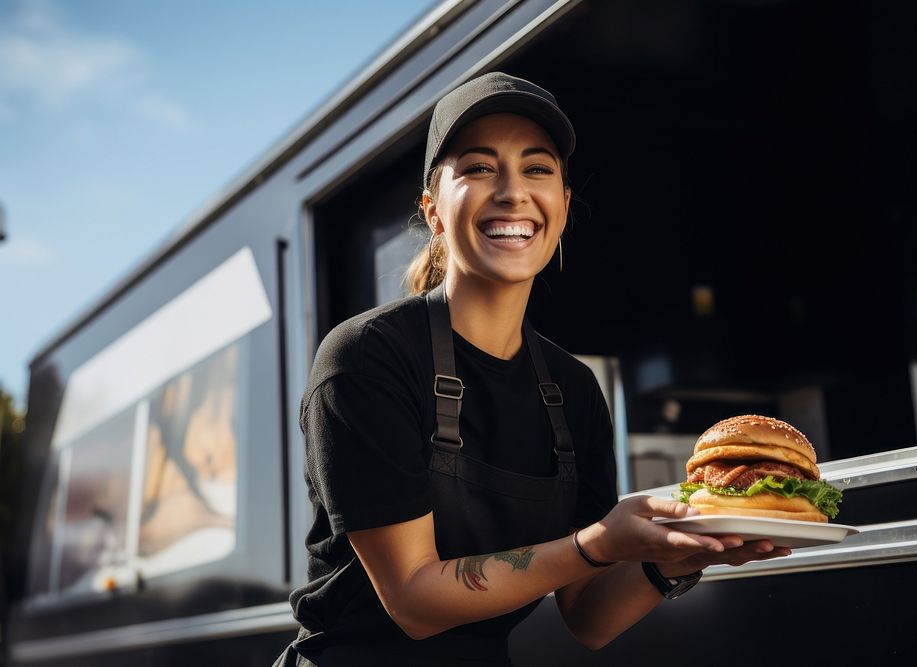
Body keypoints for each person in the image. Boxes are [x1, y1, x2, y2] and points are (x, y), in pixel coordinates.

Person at [273, 71, 790, 667]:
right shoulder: (366, 357)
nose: (513, 192)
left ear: (563, 206)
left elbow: (589, 616)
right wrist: (597, 543)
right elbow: (413, 599)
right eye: (479, 167)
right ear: (433, 210)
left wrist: (687, 554)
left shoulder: (573, 391)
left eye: (537, 168)